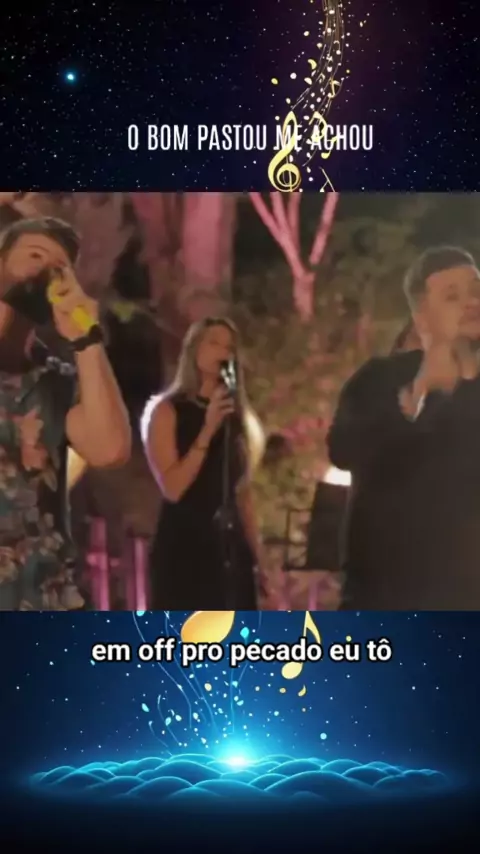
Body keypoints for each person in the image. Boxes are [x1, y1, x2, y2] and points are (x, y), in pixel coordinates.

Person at [327, 246, 480, 610]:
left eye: (476, 291)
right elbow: (343, 450)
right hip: (387, 598)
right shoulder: (380, 378)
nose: (472, 302)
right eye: (452, 295)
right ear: (421, 316)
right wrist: (418, 393)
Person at [0, 216, 131, 610]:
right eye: (35, 255)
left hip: (43, 601)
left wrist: (86, 337)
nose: (48, 271)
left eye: (60, 267)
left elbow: (110, 450)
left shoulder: (58, 382)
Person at [141, 316, 267, 610]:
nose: (223, 352)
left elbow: (242, 493)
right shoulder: (167, 411)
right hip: (185, 547)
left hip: (230, 549)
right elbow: (173, 489)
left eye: (229, 347)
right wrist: (207, 431)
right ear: (194, 350)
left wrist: (259, 558)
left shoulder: (235, 416)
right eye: (214, 343)